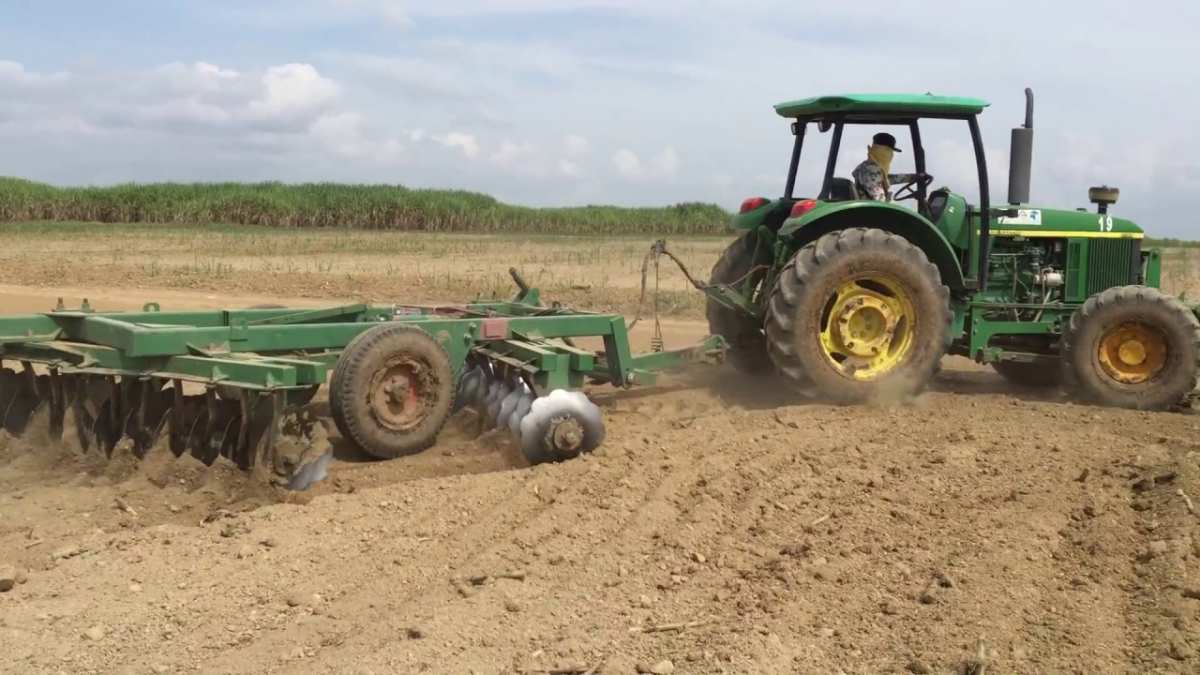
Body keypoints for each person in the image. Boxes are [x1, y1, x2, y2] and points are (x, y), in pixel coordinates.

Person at [852, 132, 918, 202]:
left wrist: (913, 177)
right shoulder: (871, 170)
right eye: (889, 151)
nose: (891, 155)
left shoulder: (869, 167)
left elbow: (886, 179)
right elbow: (880, 201)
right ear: (882, 151)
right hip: (870, 210)